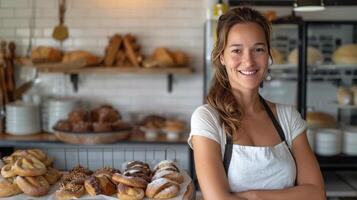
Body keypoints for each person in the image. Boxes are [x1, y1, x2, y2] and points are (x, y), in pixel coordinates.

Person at [188, 7, 325, 200]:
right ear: (222, 57)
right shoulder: (208, 119)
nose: (249, 61)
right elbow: (218, 198)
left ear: (268, 55)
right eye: (237, 50)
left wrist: (253, 196)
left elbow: (316, 193)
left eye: (258, 49)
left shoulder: (287, 117)